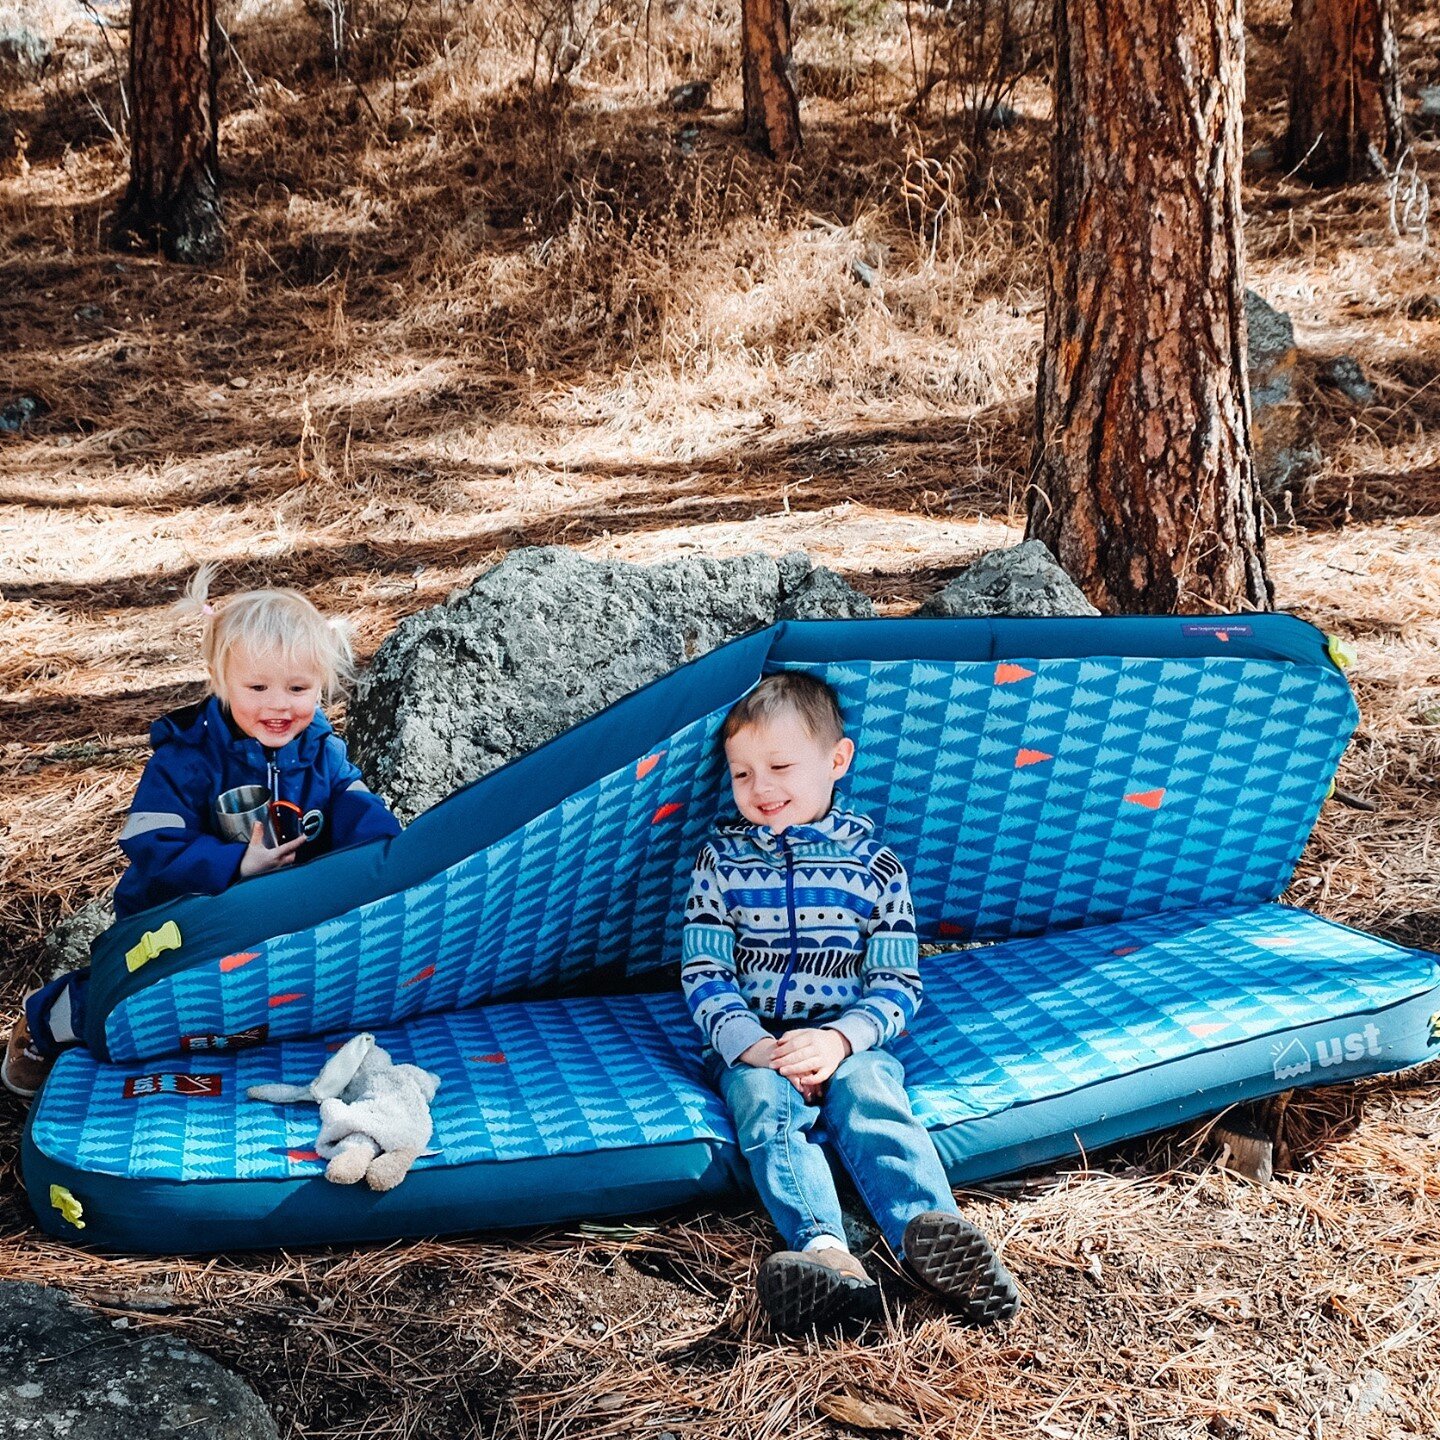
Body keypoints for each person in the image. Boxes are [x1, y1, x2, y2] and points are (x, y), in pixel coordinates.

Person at [681, 671, 1019, 1336]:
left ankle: (931, 1230)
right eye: (742, 774)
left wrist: (839, 1041)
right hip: (756, 1048)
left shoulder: (876, 868)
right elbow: (703, 969)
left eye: (780, 766)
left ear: (837, 761)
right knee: (762, 1108)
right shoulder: (719, 861)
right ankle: (828, 1257)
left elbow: (898, 983)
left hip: (848, 1040)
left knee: (870, 1096)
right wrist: (749, 1043)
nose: (761, 789)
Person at [3, 566, 400, 1098]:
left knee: (251, 991)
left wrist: (388, 851)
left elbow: (351, 800)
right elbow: (151, 841)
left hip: (279, 911)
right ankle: (48, 1022)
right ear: (220, 681)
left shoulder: (319, 750)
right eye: (257, 687)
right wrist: (234, 864)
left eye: (298, 688)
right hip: (177, 915)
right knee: (141, 989)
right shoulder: (186, 757)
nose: (278, 705)